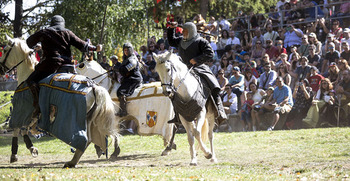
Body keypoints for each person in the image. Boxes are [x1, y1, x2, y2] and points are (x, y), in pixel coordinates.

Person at [26, 15, 101, 118]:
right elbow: (83, 46)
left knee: (31, 80)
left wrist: (40, 41)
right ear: (62, 24)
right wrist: (95, 48)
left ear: (52, 23)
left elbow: (29, 42)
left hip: (50, 65)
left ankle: (38, 107)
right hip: (68, 66)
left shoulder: (45, 32)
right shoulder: (68, 32)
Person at [167, 21, 227, 123]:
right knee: (171, 88)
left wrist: (196, 59)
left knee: (213, 85)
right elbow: (171, 41)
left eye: (185, 31)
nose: (183, 33)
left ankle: (220, 111)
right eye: (183, 31)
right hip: (183, 69)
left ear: (191, 31)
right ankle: (176, 114)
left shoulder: (201, 41)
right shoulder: (181, 41)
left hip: (198, 67)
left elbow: (210, 53)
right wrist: (171, 29)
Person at [116, 43, 143, 117]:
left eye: (127, 50)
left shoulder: (132, 60)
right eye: (125, 50)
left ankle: (123, 111)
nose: (126, 52)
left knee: (121, 92)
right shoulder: (126, 59)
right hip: (129, 78)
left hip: (134, 79)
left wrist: (118, 68)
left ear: (131, 50)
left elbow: (125, 71)